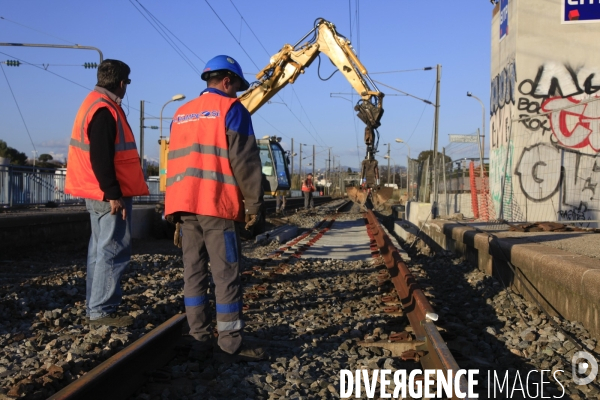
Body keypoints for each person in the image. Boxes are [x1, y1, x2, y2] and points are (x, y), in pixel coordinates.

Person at [165, 55, 265, 361]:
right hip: (216, 204)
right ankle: (230, 343)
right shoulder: (232, 110)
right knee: (226, 275)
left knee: (193, 273)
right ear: (226, 81)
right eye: (235, 86)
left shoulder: (181, 113)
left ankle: (198, 338)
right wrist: (255, 207)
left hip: (183, 206)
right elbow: (245, 164)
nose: (236, 93)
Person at [65, 59, 148, 327]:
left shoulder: (93, 103)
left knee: (99, 251)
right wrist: (114, 193)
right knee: (113, 249)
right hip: (108, 194)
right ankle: (102, 310)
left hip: (97, 191)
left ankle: (96, 307)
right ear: (122, 83)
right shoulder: (104, 110)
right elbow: (101, 157)